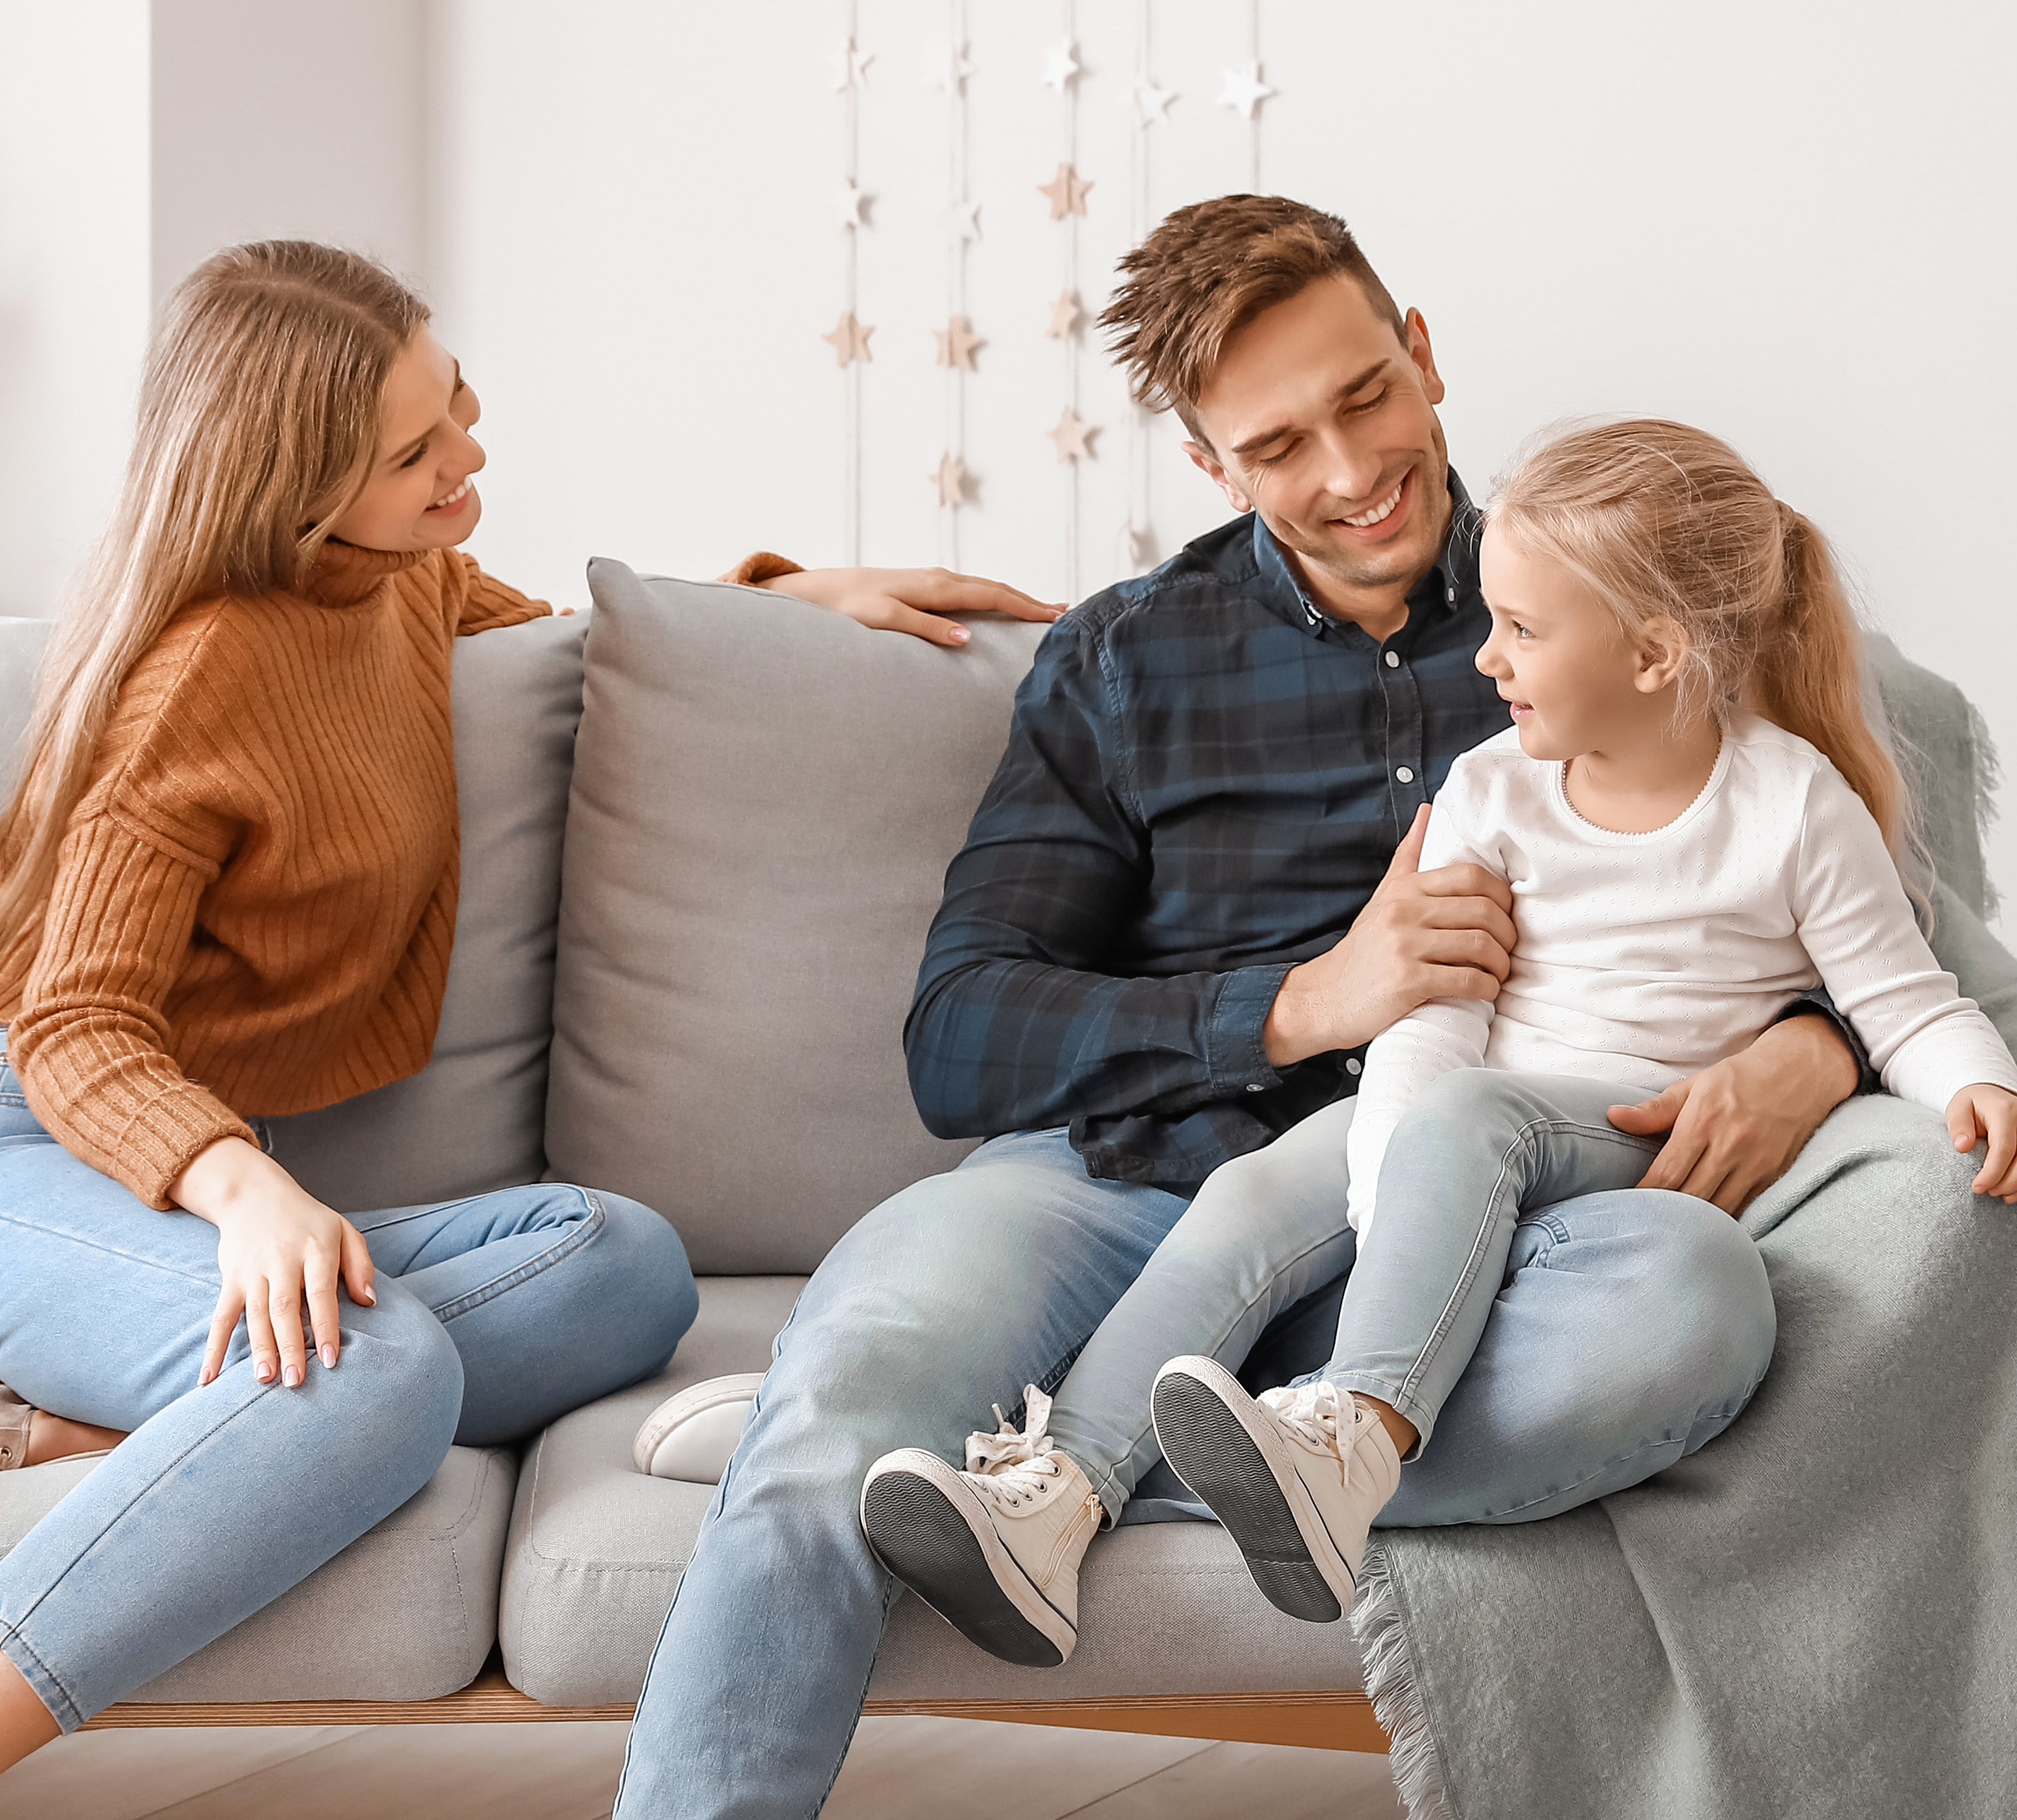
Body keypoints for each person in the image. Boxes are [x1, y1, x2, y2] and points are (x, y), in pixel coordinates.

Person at [615, 197, 1881, 1813]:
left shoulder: (1628, 602)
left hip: (1465, 1243)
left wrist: (1813, 1044)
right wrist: (1298, 1002)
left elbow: (1878, 921)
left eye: (1367, 399)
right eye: (1281, 444)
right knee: (826, 1430)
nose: (1351, 471)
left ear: (1422, 357)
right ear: (1215, 468)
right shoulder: (1125, 661)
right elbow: (964, 1031)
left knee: (1701, 1298)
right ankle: (938, 1432)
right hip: (1123, 1190)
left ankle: (1043, 1466)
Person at [0, 239, 1057, 1777]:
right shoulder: (193, 687)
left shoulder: (394, 578)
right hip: (40, 1142)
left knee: (622, 1263)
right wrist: (247, 1195)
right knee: (378, 1365)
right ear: (294, 492)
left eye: (459, 404)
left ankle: (133, 1424)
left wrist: (789, 599)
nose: (468, 455)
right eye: (414, 450)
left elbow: (554, 631)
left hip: (144, 1166)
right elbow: (74, 1025)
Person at [858, 417, 2017, 1663]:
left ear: (1653, 650)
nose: (1489, 661)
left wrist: (1984, 1084)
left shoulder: (1791, 805)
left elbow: (1904, 998)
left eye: (1524, 631)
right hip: (1463, 1117)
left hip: (1622, 1138)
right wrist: (1381, 1180)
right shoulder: (1490, 792)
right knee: (1254, 1193)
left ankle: (1356, 1433)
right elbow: (1437, 1018)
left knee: (1474, 1121)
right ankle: (1056, 1497)